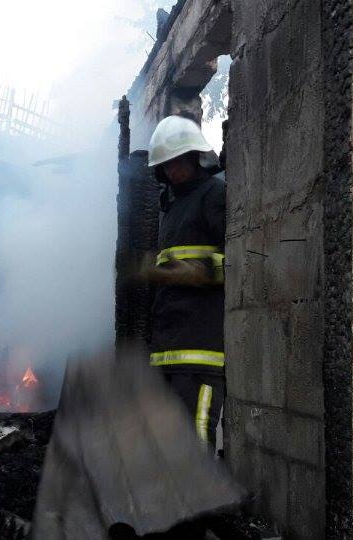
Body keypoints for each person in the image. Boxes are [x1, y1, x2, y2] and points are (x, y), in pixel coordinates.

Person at [143, 115, 226, 447]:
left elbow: (240, 258)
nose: (173, 169)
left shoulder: (214, 194)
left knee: (196, 438)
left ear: (195, 157)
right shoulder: (170, 209)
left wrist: (197, 272)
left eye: (179, 160)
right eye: (166, 164)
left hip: (201, 350)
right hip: (167, 351)